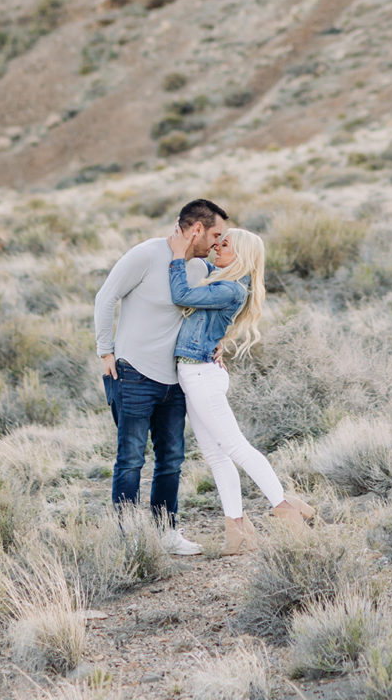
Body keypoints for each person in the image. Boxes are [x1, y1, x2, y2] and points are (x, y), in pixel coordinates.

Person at [168, 223, 314, 556]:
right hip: (196, 375)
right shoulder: (224, 280)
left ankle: (285, 509)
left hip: (201, 376)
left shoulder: (232, 288)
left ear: (242, 255)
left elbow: (182, 295)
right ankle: (237, 531)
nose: (217, 246)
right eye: (217, 241)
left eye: (225, 244)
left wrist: (177, 256)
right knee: (218, 459)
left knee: (236, 448)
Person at [94, 197, 228, 555]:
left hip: (177, 379)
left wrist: (216, 344)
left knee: (171, 459)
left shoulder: (200, 269)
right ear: (196, 229)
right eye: (215, 233)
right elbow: (106, 297)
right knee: (131, 459)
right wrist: (105, 350)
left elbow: (204, 315)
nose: (217, 242)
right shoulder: (144, 255)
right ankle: (131, 540)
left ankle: (167, 532)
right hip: (134, 374)